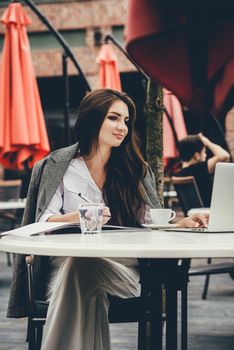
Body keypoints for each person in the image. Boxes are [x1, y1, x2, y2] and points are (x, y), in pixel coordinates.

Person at [7, 89, 208, 350]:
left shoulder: (134, 169)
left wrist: (179, 223)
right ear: (93, 119)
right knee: (83, 279)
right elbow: (44, 220)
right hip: (64, 268)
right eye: (114, 118)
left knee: (81, 271)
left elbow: (149, 221)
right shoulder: (60, 166)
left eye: (126, 120)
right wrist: (83, 216)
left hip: (121, 271)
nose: (122, 127)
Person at [175, 133, 230, 206]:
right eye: (204, 152)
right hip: (208, 212)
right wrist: (208, 142)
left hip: (195, 214)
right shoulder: (198, 169)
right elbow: (225, 156)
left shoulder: (180, 173)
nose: (206, 155)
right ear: (197, 156)